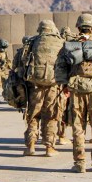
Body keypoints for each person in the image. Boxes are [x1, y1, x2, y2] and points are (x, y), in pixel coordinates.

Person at [55, 13, 92, 173]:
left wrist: (64, 86)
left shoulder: (70, 45)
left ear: (78, 27)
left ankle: (80, 163)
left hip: (76, 89)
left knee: (78, 128)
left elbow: (60, 67)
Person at [21, 20, 64, 156]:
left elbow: (21, 61)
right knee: (51, 116)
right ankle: (49, 148)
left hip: (35, 85)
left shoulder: (32, 42)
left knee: (33, 115)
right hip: (53, 85)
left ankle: (30, 146)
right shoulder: (60, 42)